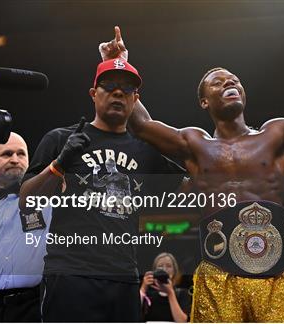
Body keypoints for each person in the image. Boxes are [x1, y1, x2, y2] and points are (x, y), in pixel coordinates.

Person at [98, 22, 284, 322]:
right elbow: (140, 125)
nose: (229, 83)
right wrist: (118, 65)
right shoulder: (194, 143)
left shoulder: (276, 134)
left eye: (234, 80)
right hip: (219, 275)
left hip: (278, 275)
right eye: (218, 83)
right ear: (204, 101)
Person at [18, 58, 184, 321]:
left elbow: (192, 188)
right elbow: (27, 201)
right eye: (109, 86)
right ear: (94, 94)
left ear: (135, 98)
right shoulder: (61, 139)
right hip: (70, 275)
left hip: (124, 277)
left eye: (127, 89)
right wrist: (59, 164)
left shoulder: (146, 151)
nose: (118, 92)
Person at [0, 133, 52, 322]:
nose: (15, 160)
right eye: (7, 154)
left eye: (21, 154)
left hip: (33, 307)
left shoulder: (49, 202)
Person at [140, 252, 191, 322]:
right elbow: (133, 315)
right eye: (160, 266)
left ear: (174, 271)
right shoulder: (149, 293)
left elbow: (182, 321)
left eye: (169, 266)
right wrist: (143, 288)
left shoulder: (182, 294)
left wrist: (170, 293)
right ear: (154, 270)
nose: (164, 269)